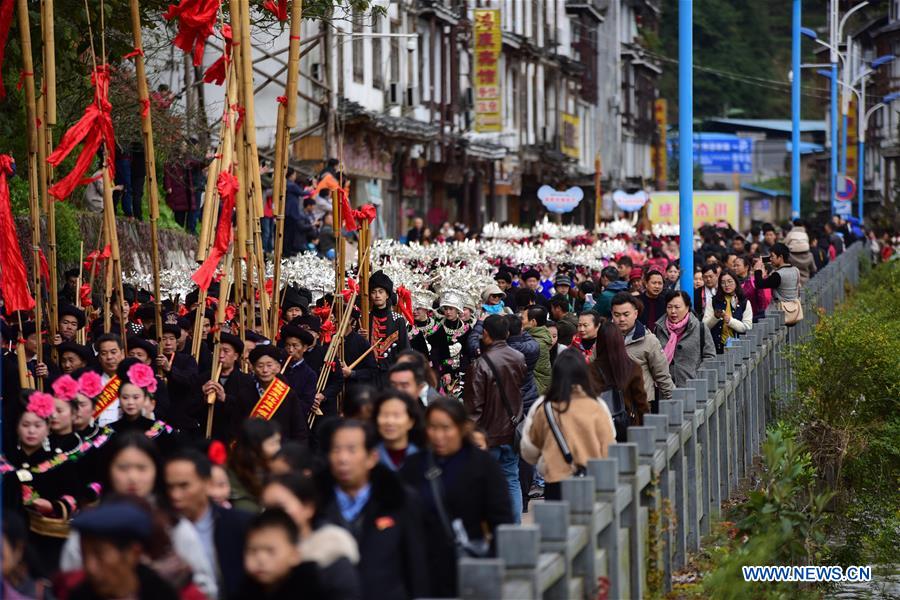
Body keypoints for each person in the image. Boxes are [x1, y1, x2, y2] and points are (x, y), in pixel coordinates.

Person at [60, 432, 219, 599]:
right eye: (123, 468)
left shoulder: (174, 525)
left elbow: (205, 585)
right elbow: (69, 580)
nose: (132, 477)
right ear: (108, 470)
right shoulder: (91, 525)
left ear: (156, 472)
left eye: (141, 468)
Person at [400, 398, 514, 598]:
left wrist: (493, 563)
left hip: (467, 564)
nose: (438, 435)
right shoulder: (414, 465)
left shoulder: (482, 465)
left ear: (462, 428)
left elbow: (501, 518)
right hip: (421, 567)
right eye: (432, 428)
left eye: (446, 428)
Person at [316, 420, 428, 600]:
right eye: (336, 450)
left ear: (371, 458)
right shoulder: (314, 503)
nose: (343, 459)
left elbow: (416, 565)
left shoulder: (399, 500)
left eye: (352, 450)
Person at [521, 349, 616, 500]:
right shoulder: (597, 406)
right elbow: (609, 447)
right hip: (591, 480)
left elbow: (529, 450)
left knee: (558, 522)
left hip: (556, 482)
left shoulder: (543, 406)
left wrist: (546, 460)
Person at [463, 314, 526, 522]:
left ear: (486, 334)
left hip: (487, 436)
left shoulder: (479, 365)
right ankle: (514, 527)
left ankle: (492, 529)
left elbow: (474, 408)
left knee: (484, 484)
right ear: (507, 333)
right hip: (512, 431)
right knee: (511, 480)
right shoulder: (518, 357)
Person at [164, 449, 252, 595]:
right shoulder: (161, 528)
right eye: (170, 487)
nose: (175, 495)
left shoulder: (239, 524)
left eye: (184, 486)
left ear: (207, 483)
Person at [260, 474, 361, 600]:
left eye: (280, 507)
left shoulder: (331, 550)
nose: (272, 516)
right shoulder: (258, 555)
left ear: (308, 508)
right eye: (267, 509)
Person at [67, 501, 180, 600]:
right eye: (84, 554)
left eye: (100, 555)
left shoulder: (161, 594)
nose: (90, 567)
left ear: (133, 553)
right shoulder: (78, 596)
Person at [231, 508, 325, 600]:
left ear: (294, 555)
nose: (260, 559)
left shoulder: (313, 589)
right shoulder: (244, 590)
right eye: (252, 551)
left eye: (270, 551)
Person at [610, 293, 675, 407]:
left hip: (640, 404)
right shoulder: (605, 338)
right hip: (611, 404)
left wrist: (675, 403)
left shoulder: (649, 340)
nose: (621, 319)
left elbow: (662, 376)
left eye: (626, 314)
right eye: (617, 315)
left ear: (635, 314)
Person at [591, 323, 649, 438]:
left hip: (599, 429)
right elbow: (641, 402)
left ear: (599, 341)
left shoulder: (590, 370)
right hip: (629, 428)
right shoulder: (633, 368)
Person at [239, 345, 308, 443]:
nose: (265, 370)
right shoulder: (244, 394)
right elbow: (237, 426)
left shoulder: (288, 394)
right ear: (253, 368)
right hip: (253, 451)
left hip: (282, 451)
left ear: (278, 368)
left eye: (269, 365)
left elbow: (299, 428)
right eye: (260, 366)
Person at [200, 333, 255, 442]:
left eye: (226, 351)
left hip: (233, 438)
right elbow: (190, 409)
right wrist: (202, 396)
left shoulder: (246, 380)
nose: (220, 355)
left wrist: (225, 398)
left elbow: (247, 409)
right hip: (207, 436)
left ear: (235, 356)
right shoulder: (204, 377)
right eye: (218, 351)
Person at [655, 290, 716, 387]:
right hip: (665, 389)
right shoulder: (659, 328)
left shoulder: (700, 328)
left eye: (677, 307)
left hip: (692, 387)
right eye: (669, 307)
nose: (673, 311)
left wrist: (698, 377)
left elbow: (710, 357)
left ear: (687, 307)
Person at [226, 418, 281, 513]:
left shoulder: (276, 470)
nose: (278, 448)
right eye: (273, 443)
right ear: (255, 447)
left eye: (279, 442)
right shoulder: (229, 477)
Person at [366, 271, 410, 388]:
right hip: (369, 377)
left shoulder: (398, 320)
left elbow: (405, 350)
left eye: (381, 292)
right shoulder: (365, 319)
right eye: (374, 292)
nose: (377, 295)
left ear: (387, 295)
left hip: (391, 377)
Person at [703, 269, 753, 354]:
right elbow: (704, 326)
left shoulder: (744, 302)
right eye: (723, 282)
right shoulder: (713, 301)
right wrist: (715, 317)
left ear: (736, 282)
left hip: (738, 347)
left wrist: (730, 321)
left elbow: (748, 327)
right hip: (716, 346)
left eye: (730, 281)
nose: (726, 285)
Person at [372, 389, 424, 471]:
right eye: (385, 415)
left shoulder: (424, 459)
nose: (390, 422)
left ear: (411, 422)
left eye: (397, 415)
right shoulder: (368, 459)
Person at [753, 242, 802, 322]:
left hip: (780, 313)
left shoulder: (778, 275)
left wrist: (758, 270)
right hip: (794, 309)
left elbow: (759, 284)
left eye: (772, 256)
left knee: (753, 322)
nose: (770, 259)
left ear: (780, 257)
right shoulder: (795, 270)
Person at [520, 306, 552, 395]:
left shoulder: (537, 343)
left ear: (533, 322)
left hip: (537, 386)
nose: (520, 321)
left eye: (522, 318)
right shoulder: (541, 335)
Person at [734, 255, 770, 322]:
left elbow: (762, 300)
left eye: (738, 265)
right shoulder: (733, 281)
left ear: (746, 267)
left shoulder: (753, 281)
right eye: (734, 266)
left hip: (754, 316)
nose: (735, 268)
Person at [783, 218, 816, 284]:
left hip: (792, 259)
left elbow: (785, 245)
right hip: (805, 276)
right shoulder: (805, 234)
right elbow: (814, 269)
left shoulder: (790, 234)